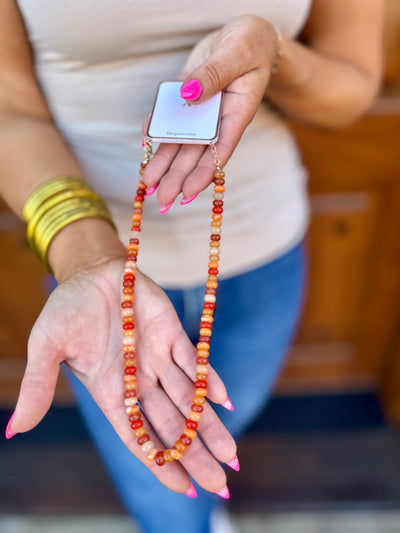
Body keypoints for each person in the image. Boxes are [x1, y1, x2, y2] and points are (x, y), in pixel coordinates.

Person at [1, 1, 383, 532]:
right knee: (159, 471)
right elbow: (7, 107)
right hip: (91, 269)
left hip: (263, 249)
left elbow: (352, 89)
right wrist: (88, 257)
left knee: (220, 421)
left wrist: (272, 50)